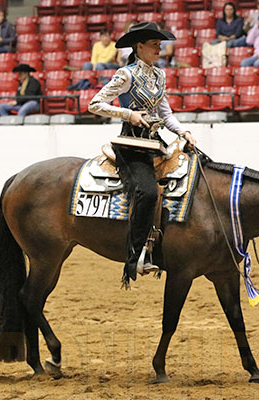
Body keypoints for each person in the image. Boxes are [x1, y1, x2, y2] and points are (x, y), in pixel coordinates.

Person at [87, 22, 197, 284]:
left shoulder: (160, 75)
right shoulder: (125, 75)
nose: (160, 48)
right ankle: (136, 255)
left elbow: (165, 114)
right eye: (155, 44)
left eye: (160, 44)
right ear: (140, 47)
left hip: (157, 142)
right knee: (147, 191)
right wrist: (129, 114)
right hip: (131, 144)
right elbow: (95, 104)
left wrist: (184, 133)